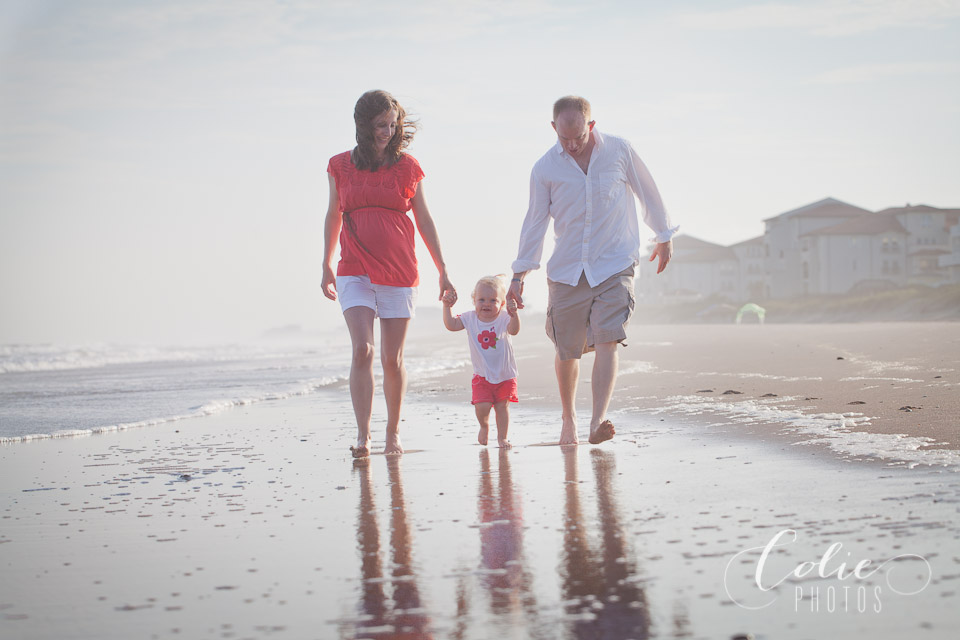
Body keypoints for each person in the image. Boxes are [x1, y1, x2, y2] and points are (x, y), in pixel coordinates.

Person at [508, 96, 677, 446]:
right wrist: (519, 274)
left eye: (578, 138)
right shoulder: (544, 169)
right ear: (554, 128)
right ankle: (568, 419)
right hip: (567, 269)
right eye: (564, 139)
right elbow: (535, 222)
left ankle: (597, 419)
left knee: (607, 338)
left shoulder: (619, 151)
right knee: (567, 350)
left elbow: (648, 191)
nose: (571, 146)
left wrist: (663, 235)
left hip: (614, 263)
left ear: (591, 126)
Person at [323, 90, 456, 458]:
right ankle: (363, 436)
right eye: (380, 125)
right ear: (363, 125)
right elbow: (334, 214)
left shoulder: (408, 167)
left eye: (392, 124)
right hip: (354, 268)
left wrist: (442, 269)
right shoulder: (339, 166)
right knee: (363, 350)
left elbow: (425, 219)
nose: (387, 131)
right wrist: (325, 263)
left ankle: (392, 433)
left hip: (399, 271)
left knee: (391, 359)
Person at [442, 275, 520, 449]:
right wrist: (447, 307)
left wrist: (514, 315)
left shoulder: (504, 318)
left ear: (501, 304)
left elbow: (514, 331)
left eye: (493, 300)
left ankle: (502, 438)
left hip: (505, 375)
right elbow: (451, 325)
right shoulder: (470, 319)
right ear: (474, 300)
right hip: (482, 375)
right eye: (482, 299)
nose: (486, 303)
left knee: (502, 408)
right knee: (482, 407)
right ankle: (484, 426)